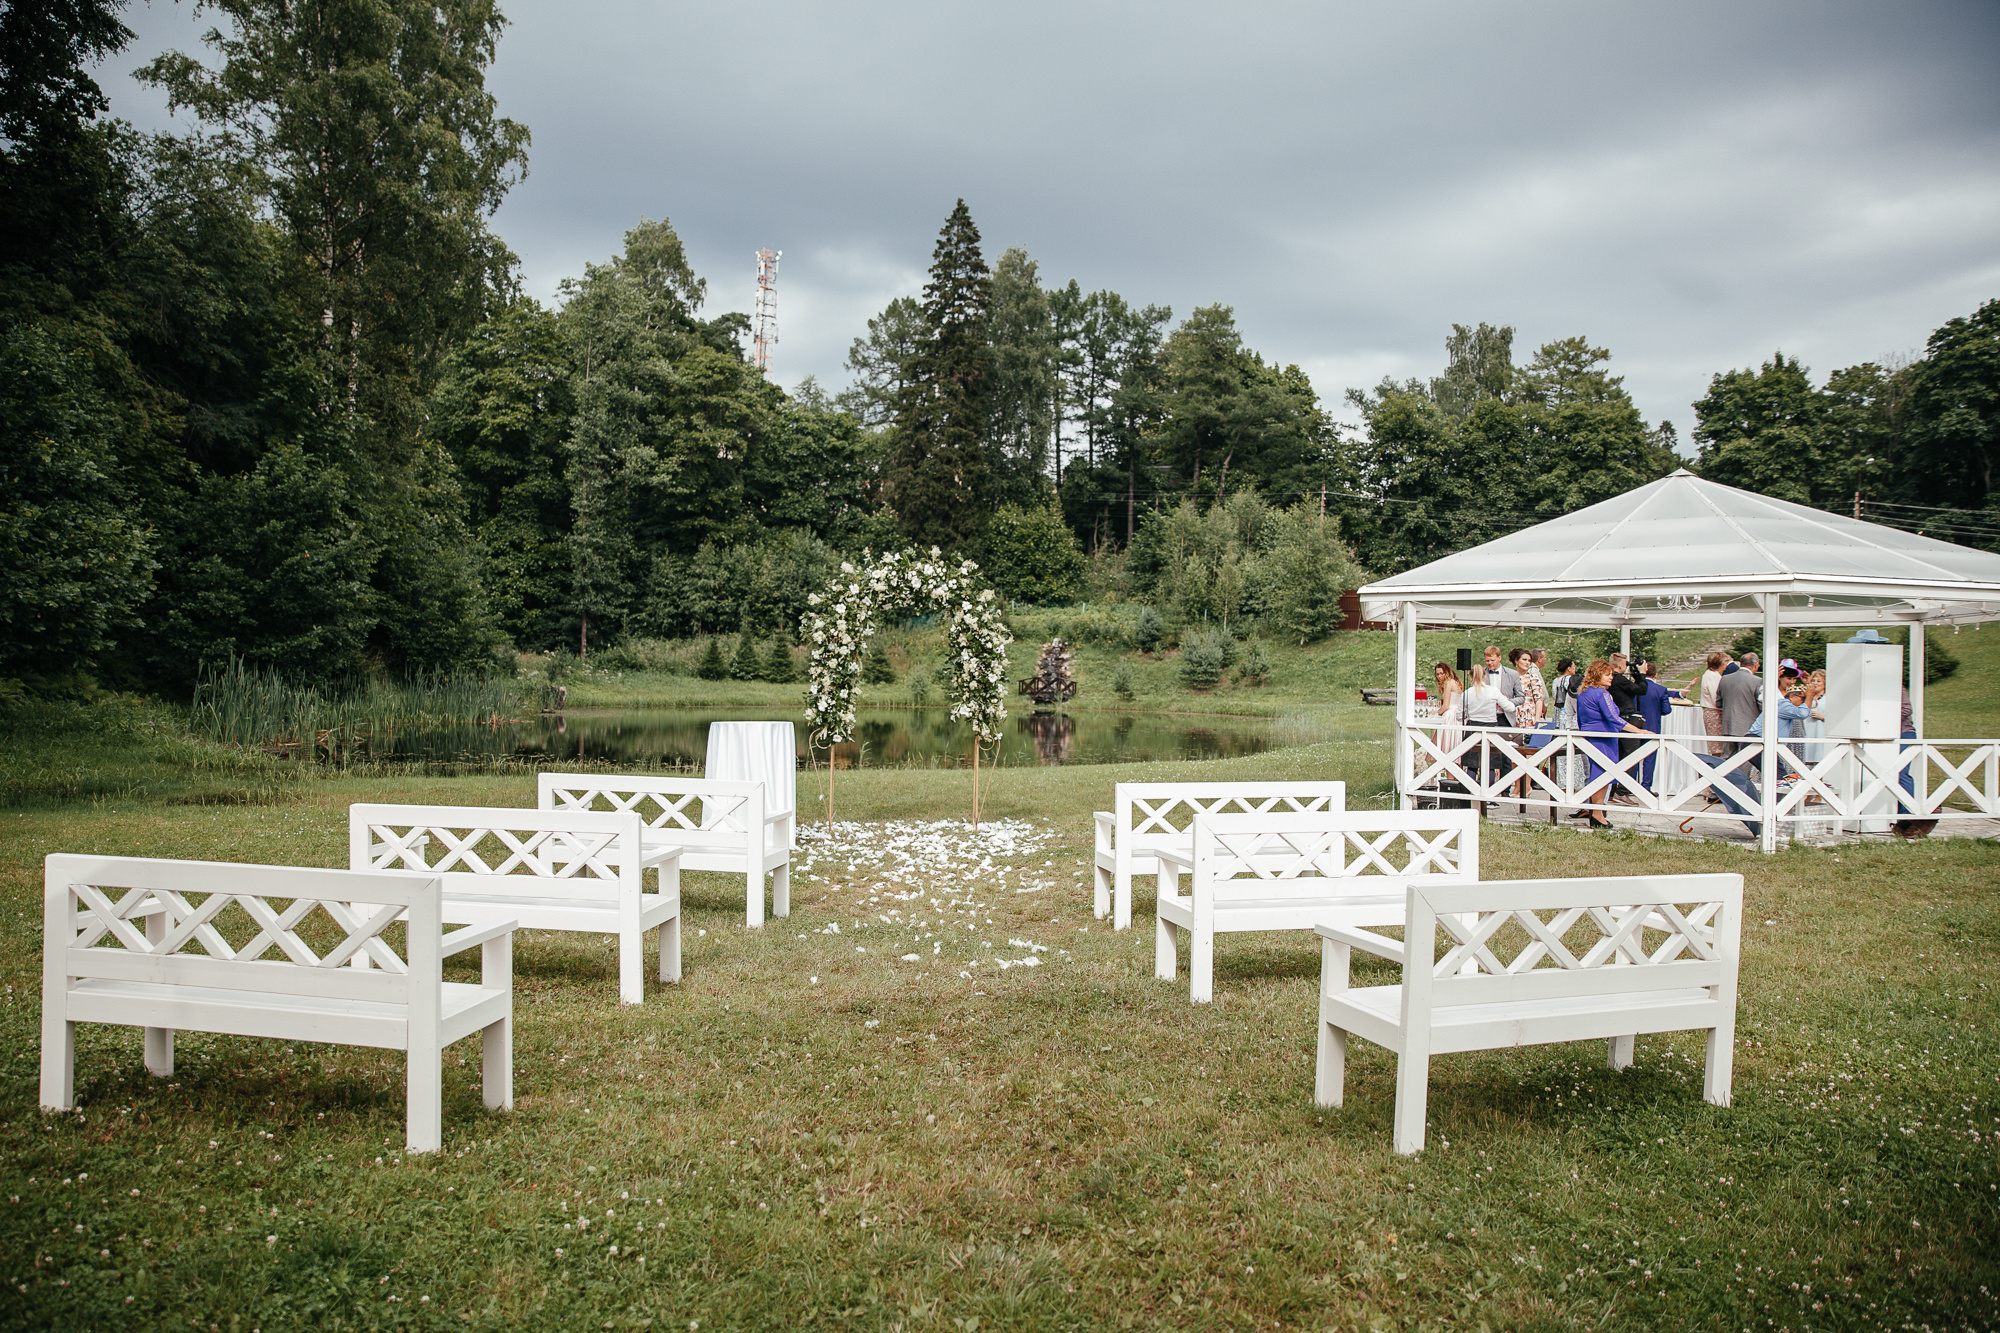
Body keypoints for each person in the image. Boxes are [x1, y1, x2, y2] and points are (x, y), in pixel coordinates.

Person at [1576, 658, 1654, 828]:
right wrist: (1639, 731)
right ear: (1597, 675)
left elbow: (1580, 719)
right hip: (1604, 737)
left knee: (1598, 774)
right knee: (1603, 776)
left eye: (1611, 674)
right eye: (1607, 674)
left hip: (1590, 737)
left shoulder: (1584, 692)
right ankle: (1597, 814)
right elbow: (1613, 718)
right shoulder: (1602, 693)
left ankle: (1596, 812)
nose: (1611, 677)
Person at [1632, 659, 1689, 791]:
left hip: (1634, 726)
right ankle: (1646, 786)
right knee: (1650, 759)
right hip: (1652, 727)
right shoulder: (1660, 689)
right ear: (1655, 675)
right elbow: (1666, 710)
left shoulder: (1633, 687)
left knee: (1632, 757)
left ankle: (1629, 787)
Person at [1460, 664, 1517, 790]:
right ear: (1484, 676)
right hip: (1490, 728)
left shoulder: (1467, 693)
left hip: (1473, 727)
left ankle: (1471, 792)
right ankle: (1488, 794)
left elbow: (1460, 715)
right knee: (1491, 764)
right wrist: (1503, 702)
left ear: (1470, 677)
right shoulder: (1493, 691)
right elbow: (1510, 708)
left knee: (1472, 764)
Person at [1717, 650, 1763, 754]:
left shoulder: (1724, 679)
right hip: (1748, 727)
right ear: (1756, 664)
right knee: (1745, 759)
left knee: (1726, 758)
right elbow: (1762, 705)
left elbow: (1718, 703)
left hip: (1728, 726)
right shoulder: (1757, 681)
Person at [1699, 652, 1728, 758]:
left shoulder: (1714, 675)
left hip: (1717, 713)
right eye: (1725, 661)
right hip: (1714, 713)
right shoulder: (1711, 676)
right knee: (1716, 747)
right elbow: (1716, 697)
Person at [1483, 645, 1522, 716]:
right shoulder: (1481, 673)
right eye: (1487, 660)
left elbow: (1521, 697)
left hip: (1505, 716)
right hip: (1486, 716)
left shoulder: (1512, 674)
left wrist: (1507, 701)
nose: (1490, 663)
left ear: (1499, 658)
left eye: (1492, 660)